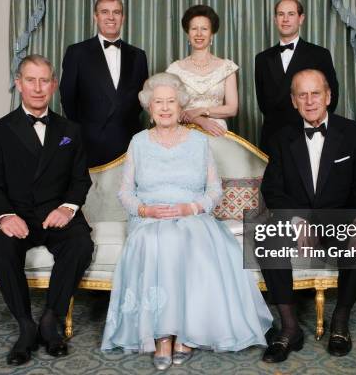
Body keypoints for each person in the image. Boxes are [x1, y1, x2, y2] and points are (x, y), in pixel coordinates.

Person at [101, 73, 272, 370]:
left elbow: (214, 191)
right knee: (161, 241)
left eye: (171, 102)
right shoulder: (138, 142)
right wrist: (146, 211)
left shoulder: (198, 141)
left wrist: (189, 207)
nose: (165, 108)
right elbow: (125, 192)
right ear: (149, 107)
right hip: (149, 217)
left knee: (188, 240)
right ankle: (163, 336)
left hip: (191, 214)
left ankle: (186, 333)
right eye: (158, 102)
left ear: (181, 107)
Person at [0, 55, 94, 366]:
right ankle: (26, 325)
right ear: (19, 84)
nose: (38, 88)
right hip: (15, 214)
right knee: (1, 248)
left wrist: (68, 208)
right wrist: (4, 216)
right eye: (31, 80)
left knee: (81, 244)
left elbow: (80, 179)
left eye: (45, 80)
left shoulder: (71, 130)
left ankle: (50, 318)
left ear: (54, 85)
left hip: (55, 212)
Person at [259, 69, 356, 361]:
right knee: (266, 241)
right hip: (299, 219)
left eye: (316, 93)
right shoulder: (280, 138)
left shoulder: (355, 134)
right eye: (302, 95)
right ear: (293, 101)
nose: (310, 101)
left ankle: (340, 322)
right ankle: (290, 328)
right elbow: (273, 190)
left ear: (328, 96)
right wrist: (297, 220)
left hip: (340, 218)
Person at [60, 0, 148, 167]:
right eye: (105, 12)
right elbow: (68, 97)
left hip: (129, 141)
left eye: (116, 12)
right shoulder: (77, 52)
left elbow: (142, 99)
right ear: (96, 16)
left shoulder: (138, 55)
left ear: (123, 18)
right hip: (90, 142)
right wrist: (88, 129)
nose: (111, 17)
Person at [255, 0, 339, 154]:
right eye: (281, 14)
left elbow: (331, 98)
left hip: (308, 134)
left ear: (301, 19)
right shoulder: (262, 58)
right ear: (275, 19)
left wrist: (312, 125)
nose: (285, 19)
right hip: (273, 137)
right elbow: (263, 103)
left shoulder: (320, 55)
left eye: (291, 14)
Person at [166, 5, 238, 136]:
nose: (199, 34)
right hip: (184, 133)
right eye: (194, 29)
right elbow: (170, 108)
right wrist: (199, 121)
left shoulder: (226, 67)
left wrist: (202, 110)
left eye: (204, 29)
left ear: (212, 34)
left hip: (217, 131)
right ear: (188, 33)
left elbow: (232, 109)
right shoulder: (174, 70)